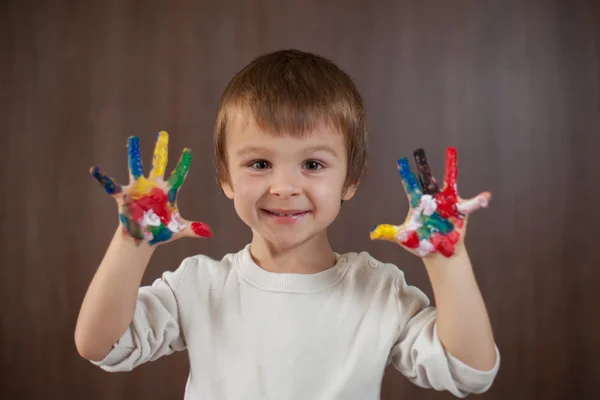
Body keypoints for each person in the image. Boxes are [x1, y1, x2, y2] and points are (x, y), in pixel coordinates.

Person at [75, 49, 500, 399]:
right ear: (226, 177)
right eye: (259, 163)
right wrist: (133, 242)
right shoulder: (199, 285)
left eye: (313, 164)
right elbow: (101, 345)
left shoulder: (378, 291)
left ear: (350, 179)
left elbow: (468, 372)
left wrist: (448, 258)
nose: (284, 186)